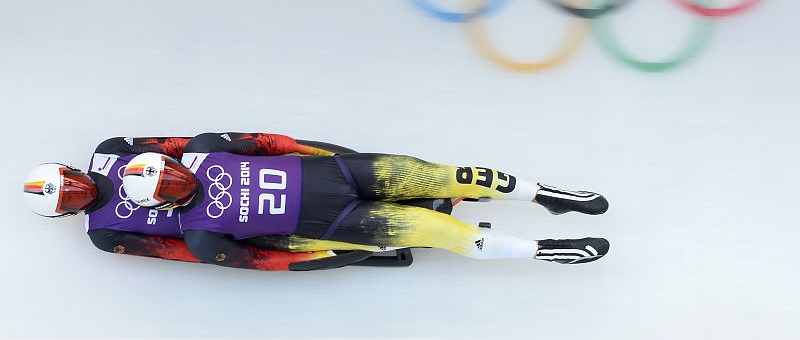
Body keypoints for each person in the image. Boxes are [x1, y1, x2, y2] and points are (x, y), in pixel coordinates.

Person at [123, 132, 610, 271]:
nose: (179, 180)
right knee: (445, 235)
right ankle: (546, 250)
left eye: (172, 171)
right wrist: (331, 254)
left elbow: (276, 143)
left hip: (346, 171)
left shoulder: (209, 148)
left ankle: (550, 195)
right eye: (169, 188)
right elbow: (270, 259)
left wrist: (332, 155)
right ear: (163, 206)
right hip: (344, 220)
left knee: (459, 175)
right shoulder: (201, 235)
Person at [22, 134, 357, 269]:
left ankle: (323, 160)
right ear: (66, 214)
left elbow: (179, 146)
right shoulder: (103, 234)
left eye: (76, 184)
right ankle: (340, 246)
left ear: (75, 170)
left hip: (236, 179)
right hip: (235, 225)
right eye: (74, 199)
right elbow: (179, 252)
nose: (85, 193)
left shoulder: (112, 150)